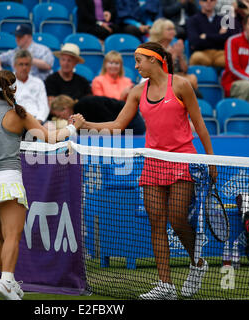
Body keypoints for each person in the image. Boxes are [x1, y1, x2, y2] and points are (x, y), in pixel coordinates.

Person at [80, 42, 217, 299]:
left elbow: (198, 124)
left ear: (154, 60)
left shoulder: (181, 85)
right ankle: (165, 285)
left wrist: (212, 160)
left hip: (181, 158)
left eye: (138, 60)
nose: (135, 65)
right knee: (156, 223)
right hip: (153, 160)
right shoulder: (136, 92)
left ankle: (197, 262)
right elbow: (118, 125)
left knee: (176, 218)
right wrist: (86, 124)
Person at [0, 70, 84, 300]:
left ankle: (10, 281)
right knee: (13, 236)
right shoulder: (20, 113)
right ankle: (5, 281)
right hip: (8, 180)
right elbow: (51, 138)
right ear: (14, 89)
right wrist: (74, 126)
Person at [149, 18, 202, 97]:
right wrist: (172, 57)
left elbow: (185, 69)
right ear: (160, 31)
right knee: (193, 92)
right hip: (162, 80)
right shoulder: (154, 49)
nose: (173, 31)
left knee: (192, 80)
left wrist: (180, 55)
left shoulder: (176, 46)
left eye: (173, 29)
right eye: (169, 29)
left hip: (177, 77)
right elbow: (161, 72)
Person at [45, 94, 145, 135]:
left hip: (132, 121)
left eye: (59, 115)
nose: (61, 118)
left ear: (65, 108)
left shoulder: (86, 104)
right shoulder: (78, 118)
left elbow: (110, 121)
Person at [186, 0, 231, 68]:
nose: (208, 2)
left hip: (220, 54)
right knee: (197, 58)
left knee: (231, 59)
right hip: (201, 53)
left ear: (216, 2)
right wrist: (218, 37)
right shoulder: (192, 20)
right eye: (205, 0)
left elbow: (228, 39)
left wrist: (206, 36)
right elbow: (194, 42)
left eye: (212, 0)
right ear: (200, 2)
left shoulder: (224, 19)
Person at [13, 50, 49, 123]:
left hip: (36, 119)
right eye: (21, 64)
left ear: (31, 66)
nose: (24, 67)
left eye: (27, 64)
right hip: (16, 120)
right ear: (15, 65)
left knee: (51, 126)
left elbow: (44, 106)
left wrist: (38, 121)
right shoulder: (8, 82)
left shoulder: (38, 83)